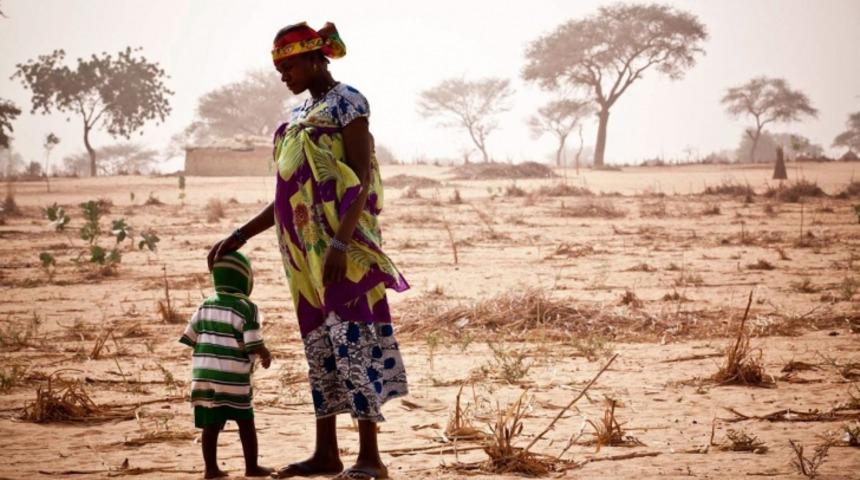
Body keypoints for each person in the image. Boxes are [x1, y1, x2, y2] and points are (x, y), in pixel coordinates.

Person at [207, 22, 409, 480]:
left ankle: (370, 458)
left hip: (345, 250)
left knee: (353, 341)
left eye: (290, 64)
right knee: (321, 346)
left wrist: (341, 242)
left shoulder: (348, 103)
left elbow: (358, 177)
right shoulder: (301, 115)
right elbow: (287, 194)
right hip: (303, 257)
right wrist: (240, 235)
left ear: (317, 57)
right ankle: (326, 454)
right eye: (279, 68)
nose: (284, 75)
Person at [180, 251, 273, 479]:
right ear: (244, 279)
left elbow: (190, 338)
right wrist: (265, 353)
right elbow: (252, 343)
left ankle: (210, 469)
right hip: (234, 378)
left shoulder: (204, 305)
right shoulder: (247, 308)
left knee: (210, 425)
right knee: (245, 422)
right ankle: (252, 467)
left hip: (204, 377)